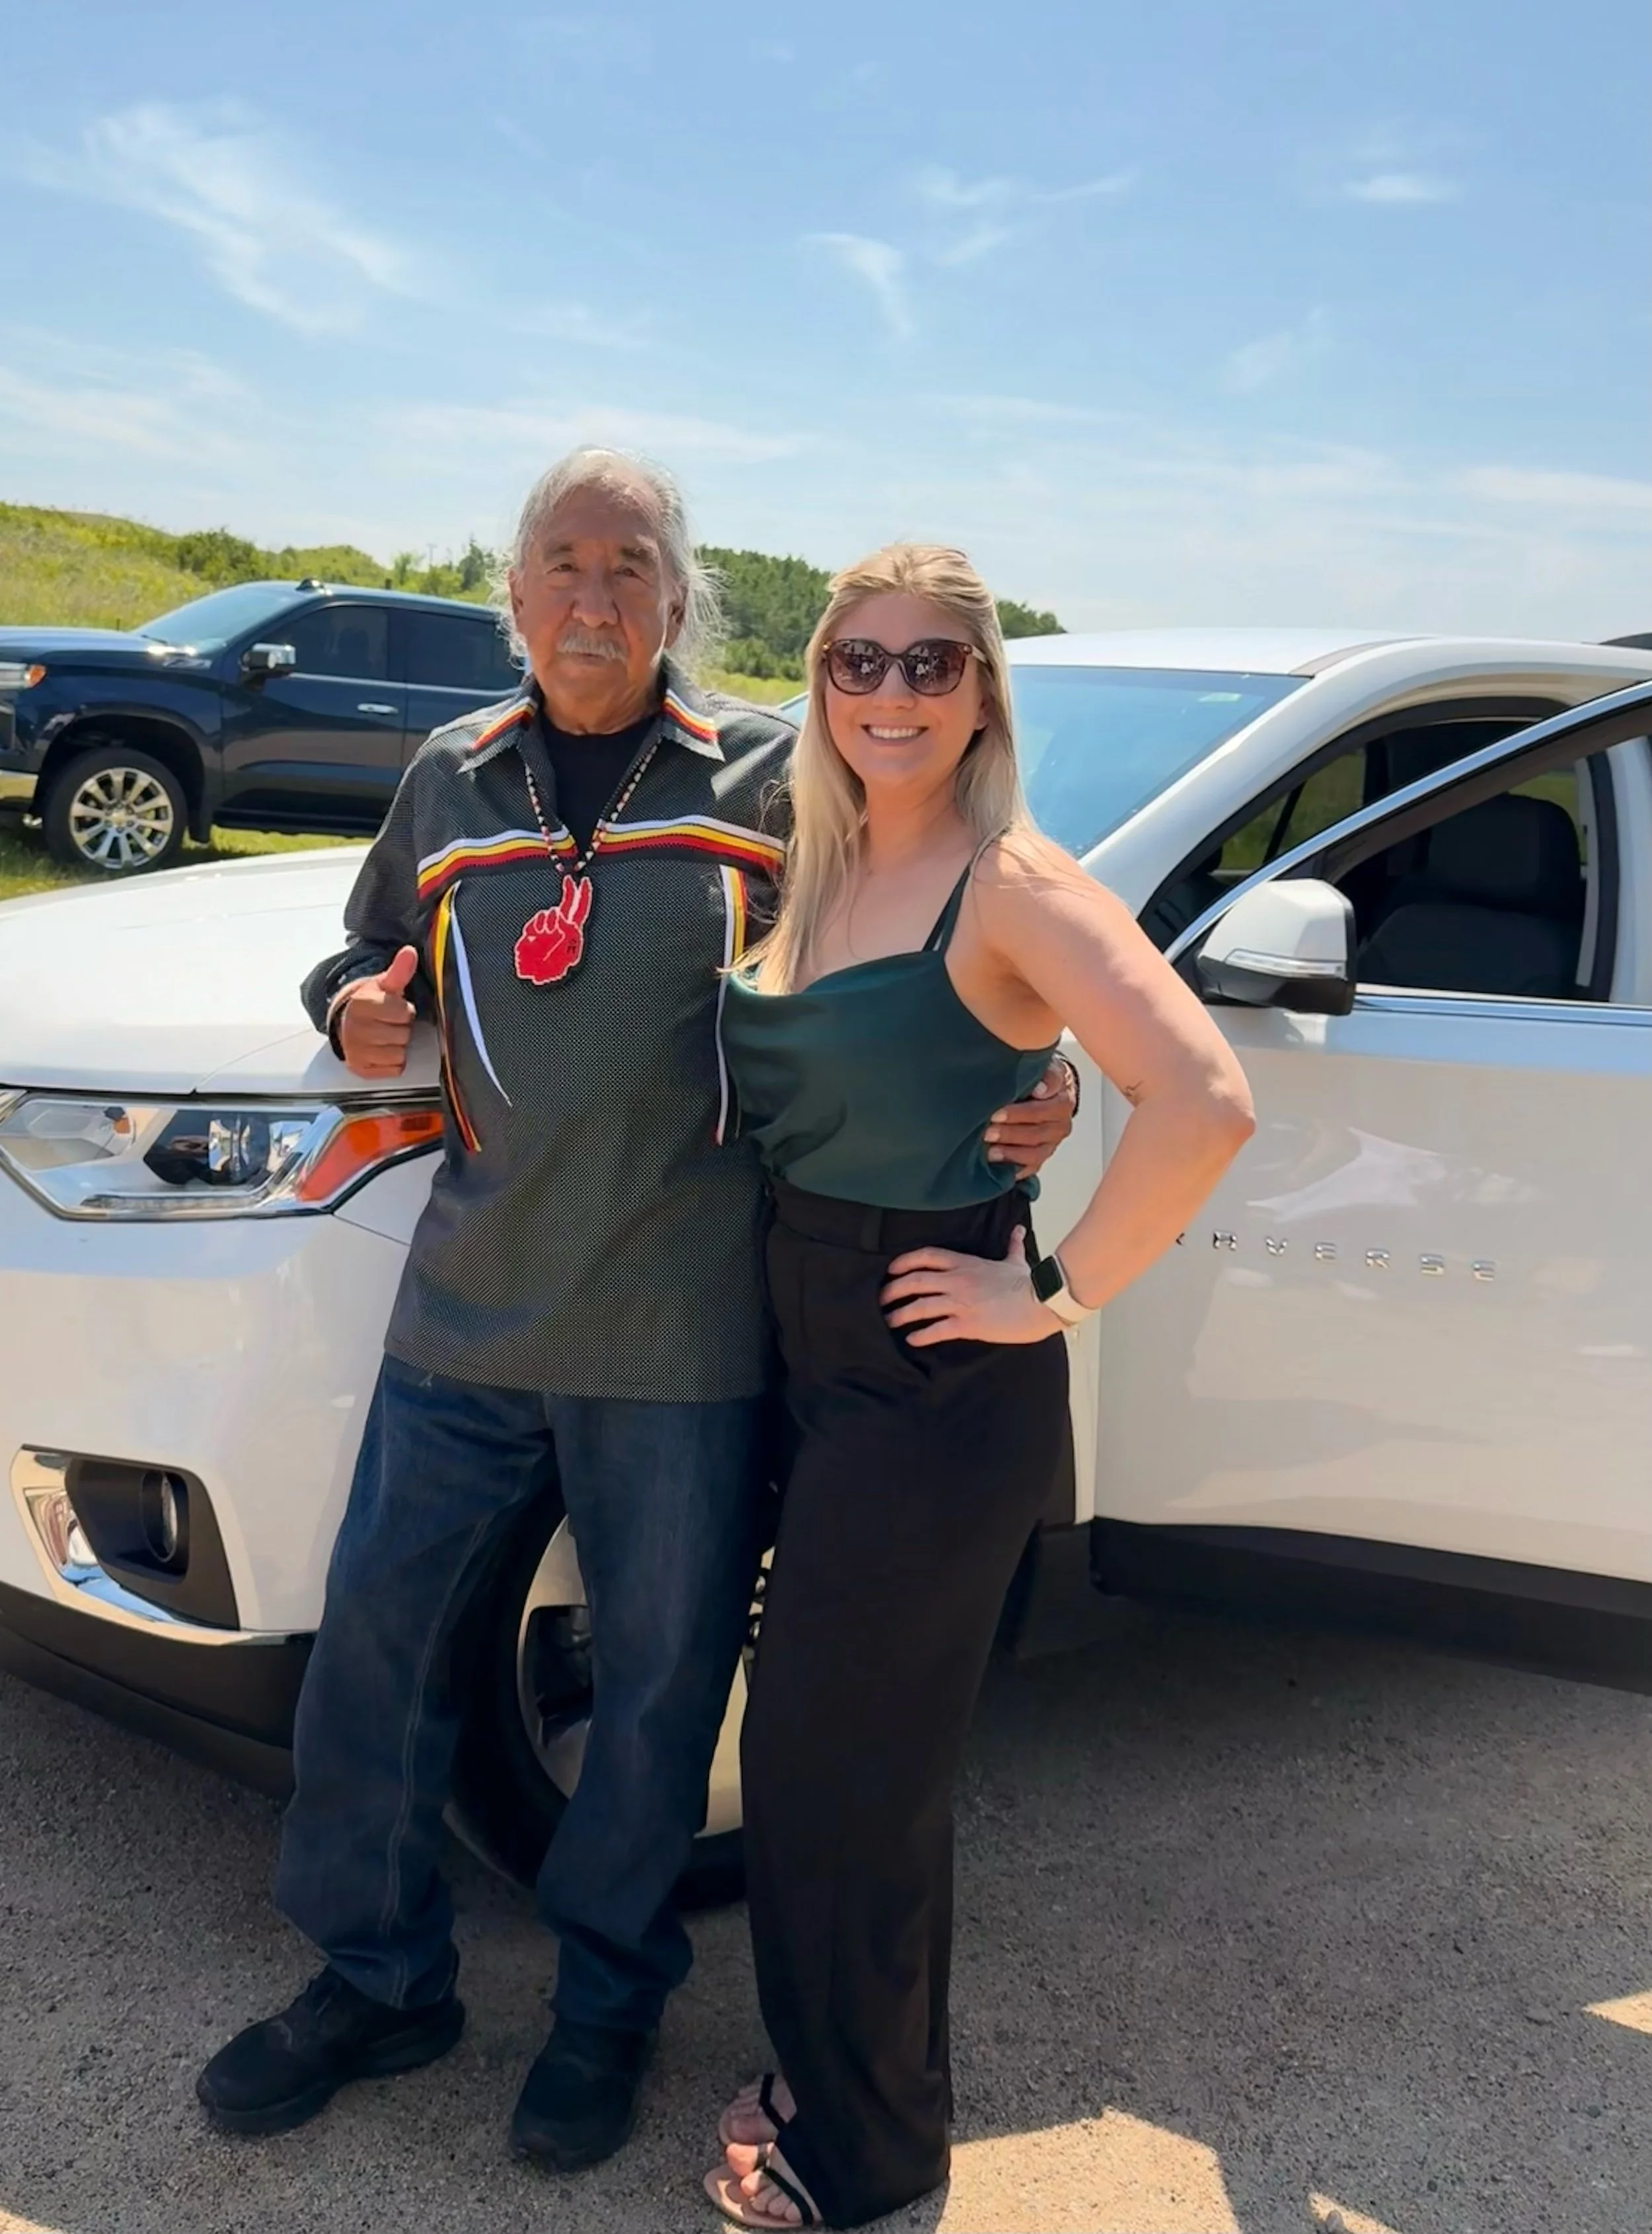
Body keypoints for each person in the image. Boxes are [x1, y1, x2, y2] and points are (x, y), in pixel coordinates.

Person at [195, 453, 1077, 2171]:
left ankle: (605, 2011)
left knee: (659, 1697)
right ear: (511, 593)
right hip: (466, 1300)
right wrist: (358, 1009)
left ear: (680, 602)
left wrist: (1025, 1076)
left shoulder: (775, 775)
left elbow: (928, 952)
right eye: (559, 561)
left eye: (630, 563)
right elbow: (368, 949)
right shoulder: (448, 779)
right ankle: (381, 1978)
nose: (592, 593)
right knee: (372, 1659)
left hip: (684, 1335)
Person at [705, 544, 1256, 2229]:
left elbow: (1206, 1093)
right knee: (840, 1761)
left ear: (980, 690)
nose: (888, 694)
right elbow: (955, 1056)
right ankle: (837, 2072)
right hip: (795, 1337)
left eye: (929, 664)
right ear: (816, 684)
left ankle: (861, 2155)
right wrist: (1041, 1076)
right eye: (854, 662)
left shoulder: (1006, 876)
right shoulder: (810, 852)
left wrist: (1053, 1293)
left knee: (832, 1772)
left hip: (933, 1375)